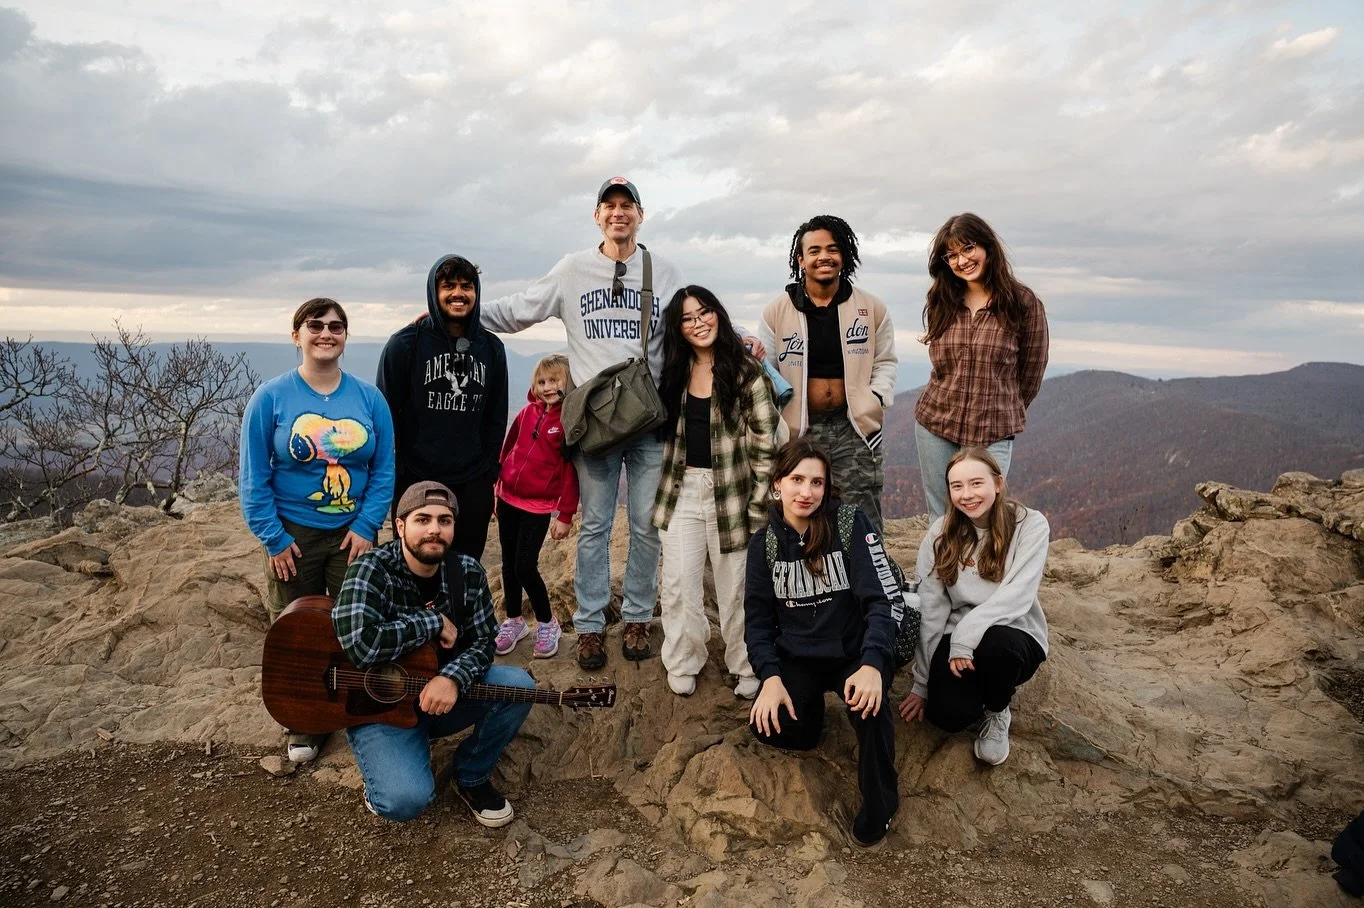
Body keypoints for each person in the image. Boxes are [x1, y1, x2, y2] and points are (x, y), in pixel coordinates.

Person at [478, 177, 685, 670]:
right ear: (597, 216)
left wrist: (739, 337)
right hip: (594, 424)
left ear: (640, 215)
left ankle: (637, 617)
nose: (618, 213)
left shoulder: (663, 272)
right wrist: (456, 315)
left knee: (644, 525)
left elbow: (695, 316)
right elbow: (520, 309)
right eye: (609, 205)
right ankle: (590, 625)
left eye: (627, 205)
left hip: (648, 420)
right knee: (594, 526)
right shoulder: (573, 270)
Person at [239, 297, 395, 764]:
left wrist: (367, 525)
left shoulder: (369, 399)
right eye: (316, 325)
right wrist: (274, 538)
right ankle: (304, 719)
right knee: (295, 628)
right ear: (297, 336)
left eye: (336, 326)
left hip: (354, 534)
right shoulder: (271, 398)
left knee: (358, 623)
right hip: (293, 535)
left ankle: (357, 707)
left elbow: (384, 469)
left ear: (346, 336)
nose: (326, 333)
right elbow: (253, 476)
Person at [333, 481, 535, 826]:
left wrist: (451, 679)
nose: (434, 530)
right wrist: (431, 622)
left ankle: (471, 775)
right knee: (404, 800)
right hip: (380, 705)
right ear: (400, 526)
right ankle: (385, 767)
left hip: (440, 696)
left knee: (520, 687)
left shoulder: (467, 572)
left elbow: (484, 642)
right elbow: (360, 644)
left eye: (445, 521)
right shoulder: (370, 569)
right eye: (422, 519)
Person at [744, 437, 904, 847]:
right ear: (777, 484)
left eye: (817, 482)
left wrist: (873, 664)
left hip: (853, 651)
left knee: (869, 708)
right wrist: (770, 678)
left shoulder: (849, 524)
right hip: (799, 656)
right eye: (797, 480)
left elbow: (880, 602)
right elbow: (758, 623)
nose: (807, 492)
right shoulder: (764, 545)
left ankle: (882, 803)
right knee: (773, 728)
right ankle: (811, 712)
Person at [652, 286, 779, 699]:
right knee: (678, 583)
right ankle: (684, 657)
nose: (698, 323)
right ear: (678, 329)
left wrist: (759, 504)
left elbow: (765, 443)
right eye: (687, 318)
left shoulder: (745, 371)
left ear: (718, 315)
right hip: (681, 489)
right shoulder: (673, 371)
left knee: (737, 585)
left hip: (732, 491)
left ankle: (746, 663)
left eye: (704, 312)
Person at [898, 447, 1049, 767]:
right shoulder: (941, 534)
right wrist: (922, 682)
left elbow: (1018, 595)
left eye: (976, 483)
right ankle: (980, 690)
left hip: (1013, 633)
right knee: (945, 717)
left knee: (997, 647)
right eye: (957, 486)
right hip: (956, 641)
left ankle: (997, 709)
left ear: (998, 483)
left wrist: (965, 637)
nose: (967, 495)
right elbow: (932, 607)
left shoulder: (1030, 525)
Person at [757, 215, 898, 532]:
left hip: (854, 427)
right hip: (801, 430)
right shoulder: (777, 311)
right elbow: (766, 370)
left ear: (844, 256)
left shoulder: (871, 308)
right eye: (815, 250)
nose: (824, 257)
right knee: (802, 510)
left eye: (833, 249)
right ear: (801, 259)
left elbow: (886, 361)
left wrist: (875, 398)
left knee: (861, 513)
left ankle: (868, 565)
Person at [914, 213, 1049, 521]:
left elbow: (1031, 373)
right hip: (936, 424)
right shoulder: (942, 299)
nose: (961, 260)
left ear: (987, 247)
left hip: (992, 430)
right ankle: (940, 556)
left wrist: (1000, 406)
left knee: (981, 515)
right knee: (941, 516)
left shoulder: (1022, 303)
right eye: (952, 255)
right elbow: (941, 367)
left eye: (968, 248)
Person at [378, 254, 508, 560]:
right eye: (448, 286)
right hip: (416, 476)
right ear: (434, 292)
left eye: (466, 286)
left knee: (465, 564)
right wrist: (398, 471)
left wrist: (488, 471)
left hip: (473, 479)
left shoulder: (491, 348)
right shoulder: (405, 344)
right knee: (415, 561)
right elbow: (385, 413)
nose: (458, 293)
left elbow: (496, 416)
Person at [493, 354, 578, 659]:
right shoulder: (527, 412)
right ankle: (514, 620)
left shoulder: (568, 422)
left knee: (524, 566)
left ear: (568, 382)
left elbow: (570, 470)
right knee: (508, 563)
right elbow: (509, 446)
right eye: (542, 381)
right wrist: (497, 484)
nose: (547, 387)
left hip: (538, 506)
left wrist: (565, 514)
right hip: (508, 498)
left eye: (554, 380)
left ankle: (547, 622)